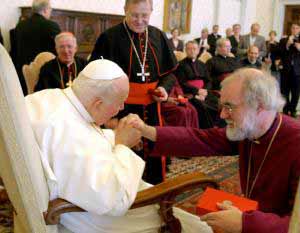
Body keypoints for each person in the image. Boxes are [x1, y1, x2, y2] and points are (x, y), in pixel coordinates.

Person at [25, 59, 213, 233]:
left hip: (79, 199)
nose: (122, 107)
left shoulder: (48, 98)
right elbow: (114, 201)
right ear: (97, 103)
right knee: (199, 228)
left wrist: (114, 136)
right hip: (97, 220)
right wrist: (123, 146)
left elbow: (86, 137)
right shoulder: (70, 135)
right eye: (119, 101)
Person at [130, 68, 300, 233]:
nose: (222, 115)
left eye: (229, 107)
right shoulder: (250, 129)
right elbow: (201, 139)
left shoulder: (295, 143)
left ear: (259, 106)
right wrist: (145, 130)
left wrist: (245, 223)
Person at [89, 0, 177, 184]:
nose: (139, 20)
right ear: (125, 11)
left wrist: (164, 89)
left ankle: (154, 193)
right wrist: (107, 117)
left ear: (151, 12)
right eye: (134, 15)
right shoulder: (109, 38)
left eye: (144, 16)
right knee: (124, 156)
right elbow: (98, 78)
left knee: (155, 153)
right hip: (120, 108)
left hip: (153, 109)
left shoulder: (158, 36)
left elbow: (169, 74)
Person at [15, 0, 61, 95]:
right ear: (45, 10)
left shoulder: (20, 26)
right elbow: (58, 51)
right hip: (44, 78)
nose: (50, 11)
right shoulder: (51, 26)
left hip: (22, 74)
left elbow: (15, 50)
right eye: (50, 9)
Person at [176, 40, 218, 129]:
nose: (192, 51)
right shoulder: (180, 65)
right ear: (185, 50)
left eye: (194, 49)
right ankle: (208, 129)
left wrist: (205, 91)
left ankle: (218, 127)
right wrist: (197, 91)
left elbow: (208, 80)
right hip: (190, 93)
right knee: (202, 106)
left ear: (198, 50)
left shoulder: (202, 64)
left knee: (217, 103)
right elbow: (182, 83)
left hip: (204, 91)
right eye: (189, 49)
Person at [278, 23, 300, 117]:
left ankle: (293, 109)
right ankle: (286, 109)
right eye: (293, 28)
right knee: (284, 91)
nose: (295, 29)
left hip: (297, 71)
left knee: (296, 92)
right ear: (291, 29)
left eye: (297, 28)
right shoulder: (283, 40)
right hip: (286, 70)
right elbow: (279, 53)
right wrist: (287, 45)